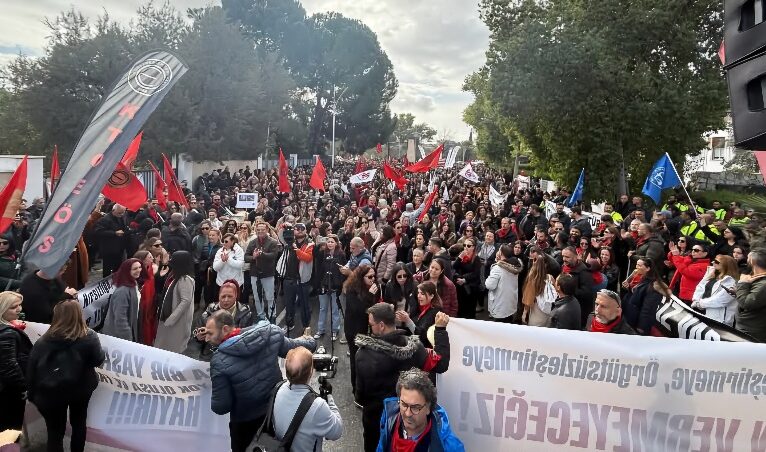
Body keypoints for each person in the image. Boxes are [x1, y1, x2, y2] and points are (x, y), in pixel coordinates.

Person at [207, 310, 315, 452]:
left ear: (225, 329)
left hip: (245, 427)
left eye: (210, 333)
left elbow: (221, 407)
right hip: (276, 415)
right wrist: (310, 342)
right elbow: (293, 348)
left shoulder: (219, 361)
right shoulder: (269, 334)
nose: (207, 338)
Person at [355, 303, 450, 452]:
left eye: (371, 325)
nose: (369, 329)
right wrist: (440, 330)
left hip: (375, 422)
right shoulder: (414, 347)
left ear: (381, 325)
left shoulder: (362, 355)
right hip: (408, 421)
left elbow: (359, 397)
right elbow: (441, 364)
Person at [27, 300, 105, 452]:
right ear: (79, 315)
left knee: (55, 432)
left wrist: (32, 394)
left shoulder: (43, 341)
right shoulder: (90, 337)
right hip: (81, 389)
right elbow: (98, 360)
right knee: (79, 424)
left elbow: (32, 368)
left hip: (52, 393)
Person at [272, 347, 343, 450]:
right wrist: (329, 397)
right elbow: (337, 431)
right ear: (311, 372)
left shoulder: (278, 389)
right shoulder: (317, 406)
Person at [377, 368, 465, 452]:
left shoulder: (448, 446)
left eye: (415, 407)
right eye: (404, 404)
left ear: (428, 408)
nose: (407, 414)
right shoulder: (389, 420)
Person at [186, 279, 254, 361]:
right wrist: (198, 337)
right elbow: (194, 336)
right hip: (210, 355)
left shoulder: (246, 314)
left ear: (236, 296)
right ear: (219, 296)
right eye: (223, 296)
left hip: (234, 357)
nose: (226, 300)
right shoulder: (208, 312)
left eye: (230, 296)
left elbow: (248, 342)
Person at [342, 264, 379, 403]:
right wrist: (370, 295)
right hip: (354, 330)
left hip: (367, 330)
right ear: (361, 277)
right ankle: (356, 390)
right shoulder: (352, 289)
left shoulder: (373, 287)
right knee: (356, 360)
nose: (372, 279)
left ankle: (365, 387)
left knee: (367, 360)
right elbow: (358, 310)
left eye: (374, 276)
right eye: (369, 277)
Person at [0, 291, 31, 431]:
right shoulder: (7, 334)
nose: (19, 309)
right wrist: (23, 387)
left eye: (20, 305)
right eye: (14, 307)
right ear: (3, 310)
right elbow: (9, 366)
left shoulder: (8, 329)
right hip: (9, 393)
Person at [154, 251, 196, 353]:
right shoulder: (174, 276)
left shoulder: (185, 279)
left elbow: (185, 301)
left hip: (178, 321)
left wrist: (171, 319)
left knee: (173, 347)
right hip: (169, 319)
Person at [277, 222, 314, 333]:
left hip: (302, 280)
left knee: (304, 306)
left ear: (306, 230)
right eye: (297, 228)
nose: (299, 230)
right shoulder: (289, 242)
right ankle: (289, 324)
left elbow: (307, 258)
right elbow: (280, 236)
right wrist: (283, 226)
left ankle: (306, 327)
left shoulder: (309, 244)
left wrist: (296, 250)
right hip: (289, 278)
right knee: (289, 304)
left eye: (302, 228)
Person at [245, 221, 282, 321]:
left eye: (262, 229)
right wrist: (253, 257)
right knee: (257, 297)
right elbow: (246, 257)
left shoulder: (273, 242)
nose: (260, 231)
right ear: (256, 230)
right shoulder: (252, 242)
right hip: (255, 273)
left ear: (267, 230)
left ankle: (271, 314)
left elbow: (273, 256)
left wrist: (262, 254)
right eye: (258, 229)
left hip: (268, 274)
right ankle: (260, 315)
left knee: (269, 296)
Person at [622, 258, 669, 335]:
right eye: (636, 264)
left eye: (640, 265)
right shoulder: (639, 278)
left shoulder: (653, 286)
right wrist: (629, 288)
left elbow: (648, 309)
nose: (637, 267)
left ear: (648, 268)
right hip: (629, 317)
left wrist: (642, 327)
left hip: (637, 323)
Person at [691, 255, 738, 327]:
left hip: (720, 322)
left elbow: (720, 300)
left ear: (725, 265)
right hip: (705, 315)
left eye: (716, 262)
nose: (713, 262)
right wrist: (705, 278)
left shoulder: (730, 282)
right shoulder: (713, 277)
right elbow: (699, 289)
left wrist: (699, 303)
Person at [101, 259, 142, 342]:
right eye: (135, 269)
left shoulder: (132, 283)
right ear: (127, 271)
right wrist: (128, 340)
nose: (139, 270)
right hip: (118, 338)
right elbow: (120, 319)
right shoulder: (122, 292)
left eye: (140, 267)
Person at [395, 281, 442, 348]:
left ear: (431, 296)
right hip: (415, 344)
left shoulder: (435, 312)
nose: (418, 296)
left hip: (425, 348)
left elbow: (422, 336)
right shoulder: (418, 307)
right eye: (418, 293)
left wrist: (408, 320)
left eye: (422, 294)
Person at [315, 234, 345, 340]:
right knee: (323, 308)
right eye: (328, 242)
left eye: (332, 241)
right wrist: (318, 284)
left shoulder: (341, 254)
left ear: (336, 243)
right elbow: (318, 269)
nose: (330, 243)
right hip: (324, 284)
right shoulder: (322, 253)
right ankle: (320, 330)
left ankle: (335, 330)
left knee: (334, 309)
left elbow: (343, 271)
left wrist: (340, 284)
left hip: (335, 285)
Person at [484, 244, 523, 322]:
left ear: (501, 253)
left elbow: (490, 285)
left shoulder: (497, 268)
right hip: (510, 303)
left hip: (500, 305)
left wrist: (487, 278)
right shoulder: (515, 264)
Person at [735, 248, 766, 341]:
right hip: (747, 328)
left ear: (752, 261)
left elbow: (747, 303)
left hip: (752, 332)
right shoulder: (758, 279)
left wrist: (742, 284)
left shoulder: (764, 283)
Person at [93, 203, 128, 277]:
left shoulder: (122, 216)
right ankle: (106, 283)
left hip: (119, 247)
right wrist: (114, 233)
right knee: (107, 269)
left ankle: (116, 281)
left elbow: (124, 227)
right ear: (113, 210)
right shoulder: (105, 219)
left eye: (123, 212)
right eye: (119, 213)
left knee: (118, 267)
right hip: (109, 248)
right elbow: (97, 231)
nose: (121, 214)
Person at [521, 254, 556, 327]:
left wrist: (524, 314)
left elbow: (528, 300)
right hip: (548, 309)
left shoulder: (532, 280)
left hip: (536, 311)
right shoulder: (550, 277)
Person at [453, 237, 482, 319]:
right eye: (464, 245)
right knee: (461, 307)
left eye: (468, 246)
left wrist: (464, 279)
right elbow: (454, 267)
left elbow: (476, 274)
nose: (466, 247)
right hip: (461, 286)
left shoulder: (476, 258)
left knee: (470, 309)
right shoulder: (462, 257)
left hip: (471, 287)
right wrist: (459, 257)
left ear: (473, 247)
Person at [134, 250, 158, 346]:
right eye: (150, 257)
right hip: (143, 305)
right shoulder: (138, 274)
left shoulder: (150, 268)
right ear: (142, 260)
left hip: (150, 302)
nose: (152, 258)